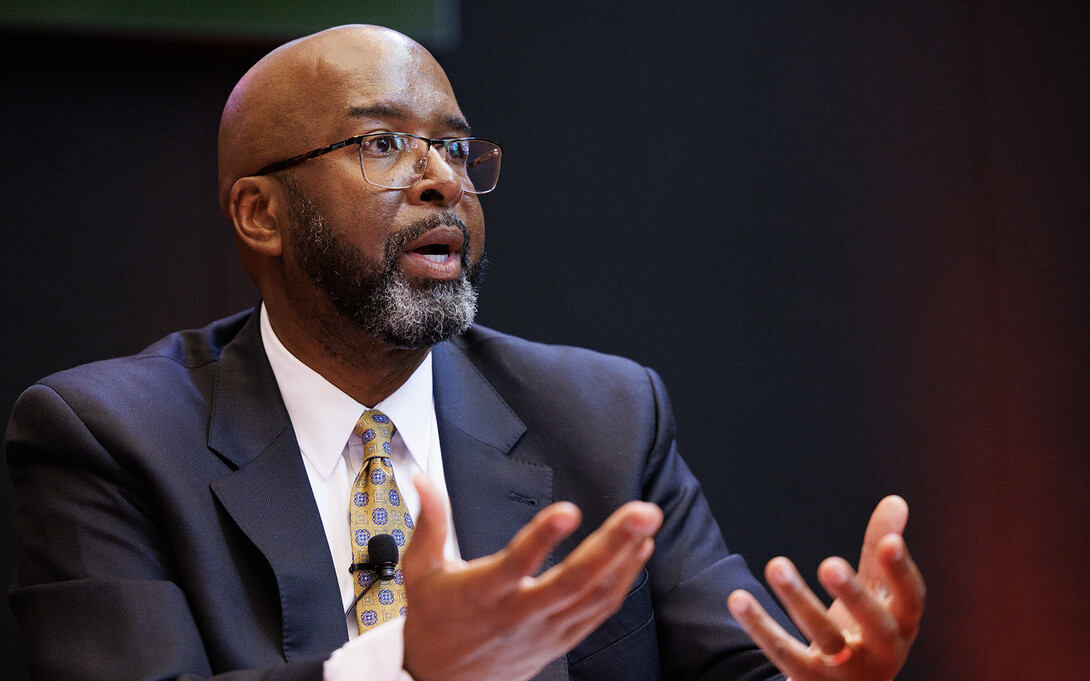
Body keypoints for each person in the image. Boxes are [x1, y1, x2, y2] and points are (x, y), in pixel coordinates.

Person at [5, 24, 924, 681]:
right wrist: (400, 665)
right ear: (260, 213)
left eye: (452, 145)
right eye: (383, 142)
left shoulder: (604, 415)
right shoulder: (108, 438)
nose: (442, 177)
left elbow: (737, 666)